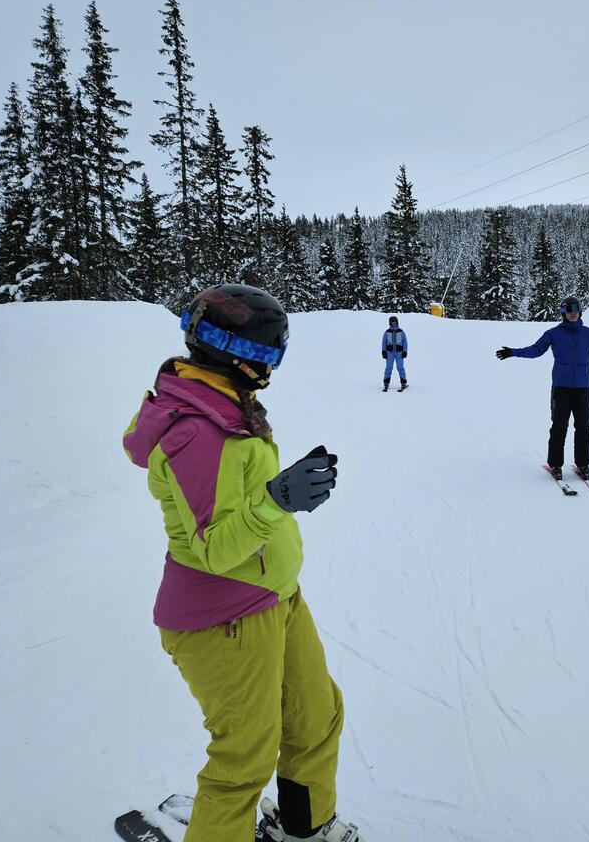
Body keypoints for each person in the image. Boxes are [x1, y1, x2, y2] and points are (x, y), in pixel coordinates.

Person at [122, 284, 362, 842]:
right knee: (244, 756)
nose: (273, 365)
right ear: (234, 353)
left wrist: (279, 493)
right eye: (269, 353)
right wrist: (278, 500)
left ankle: (304, 825)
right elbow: (212, 551)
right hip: (223, 614)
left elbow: (245, 500)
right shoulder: (195, 431)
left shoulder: (224, 403)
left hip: (275, 594)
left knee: (315, 716)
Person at [495, 296, 589, 480]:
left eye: (576, 308)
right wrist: (513, 352)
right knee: (559, 427)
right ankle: (555, 465)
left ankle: (583, 464)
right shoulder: (553, 334)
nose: (573, 312)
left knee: (584, 427)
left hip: (583, 389)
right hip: (561, 389)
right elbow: (535, 350)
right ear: (563, 312)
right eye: (569, 309)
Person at [381, 314, 408, 391]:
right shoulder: (387, 332)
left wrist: (405, 351)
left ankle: (403, 382)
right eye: (392, 323)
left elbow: (405, 342)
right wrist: (383, 351)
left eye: (395, 323)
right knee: (389, 367)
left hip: (399, 353)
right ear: (390, 323)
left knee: (400, 367)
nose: (394, 324)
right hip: (389, 353)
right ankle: (386, 382)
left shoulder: (401, 332)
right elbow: (384, 342)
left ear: (397, 323)